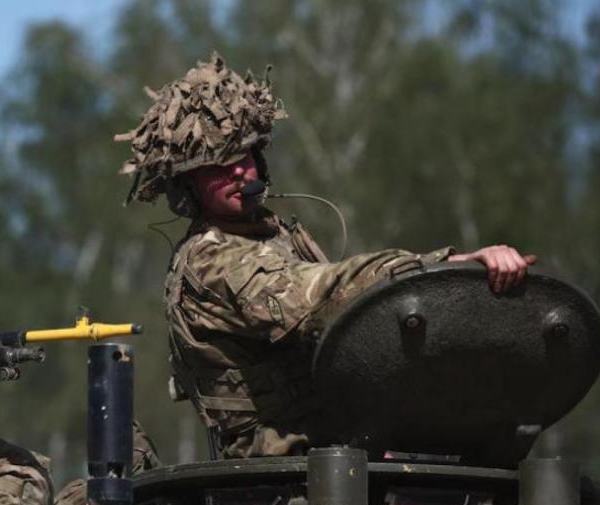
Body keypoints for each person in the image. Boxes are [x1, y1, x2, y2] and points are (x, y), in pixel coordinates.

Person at [117, 53, 536, 459]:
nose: (238, 172)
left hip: (334, 440)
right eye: (215, 166)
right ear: (187, 186)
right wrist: (441, 268)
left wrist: (449, 274)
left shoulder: (273, 234)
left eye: (242, 156)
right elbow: (316, 298)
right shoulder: (211, 260)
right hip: (281, 459)